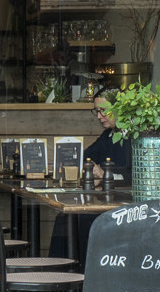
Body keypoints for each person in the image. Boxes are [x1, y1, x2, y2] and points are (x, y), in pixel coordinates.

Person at [51, 94, 133, 261]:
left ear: (119, 108)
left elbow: (135, 176)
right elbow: (84, 157)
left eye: (103, 111)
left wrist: (104, 175)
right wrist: (90, 171)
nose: (99, 116)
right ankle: (61, 272)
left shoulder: (135, 137)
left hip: (127, 208)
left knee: (81, 219)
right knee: (65, 218)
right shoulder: (107, 136)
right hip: (105, 202)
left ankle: (81, 272)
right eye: (96, 111)